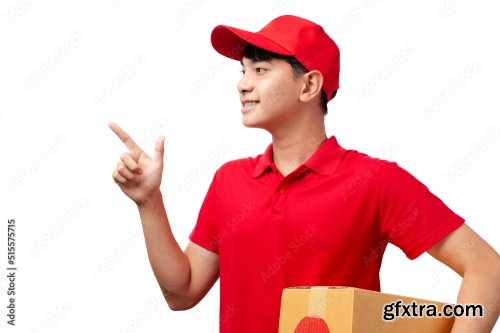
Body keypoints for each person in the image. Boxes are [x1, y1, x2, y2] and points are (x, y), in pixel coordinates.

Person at [109, 14, 499, 333]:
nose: (243, 84)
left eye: (260, 69)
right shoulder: (229, 181)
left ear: (310, 84)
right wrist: (148, 201)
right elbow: (183, 292)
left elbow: (487, 269)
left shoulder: (374, 181)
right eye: (243, 71)